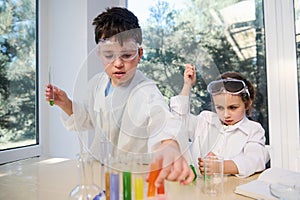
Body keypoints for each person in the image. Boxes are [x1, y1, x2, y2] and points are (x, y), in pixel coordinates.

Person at [45, 7, 194, 187]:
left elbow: (163, 121)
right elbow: (88, 118)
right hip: (101, 172)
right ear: (99, 54)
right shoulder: (97, 84)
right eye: (109, 55)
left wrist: (169, 145)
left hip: (133, 177)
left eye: (126, 55)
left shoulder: (146, 91)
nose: (118, 63)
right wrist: (65, 103)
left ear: (139, 54)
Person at [170, 64, 270, 178]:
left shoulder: (253, 130)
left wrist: (220, 166)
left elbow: (255, 160)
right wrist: (187, 85)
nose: (226, 114)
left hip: (229, 192)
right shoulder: (205, 120)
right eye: (220, 108)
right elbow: (178, 122)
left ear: (247, 104)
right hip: (197, 190)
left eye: (233, 107)